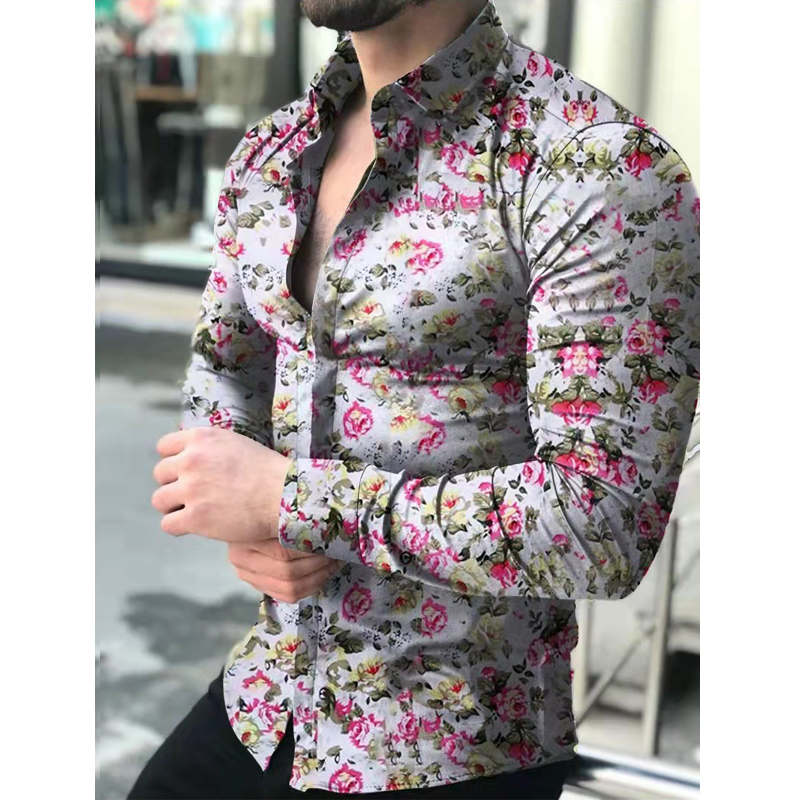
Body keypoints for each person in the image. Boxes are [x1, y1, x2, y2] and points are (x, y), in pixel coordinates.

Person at [132, 0, 700, 797]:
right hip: (269, 698)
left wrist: (290, 499)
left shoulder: (597, 166)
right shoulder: (272, 150)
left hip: (452, 741)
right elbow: (224, 365)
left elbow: (600, 522)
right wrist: (243, 515)